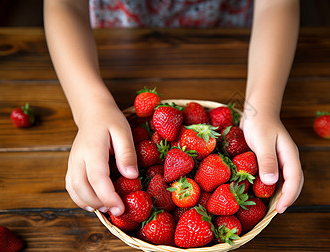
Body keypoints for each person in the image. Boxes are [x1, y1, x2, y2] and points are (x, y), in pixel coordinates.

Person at [44, 0, 304, 217]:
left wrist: (262, 107)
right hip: (120, 28)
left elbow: (276, 5)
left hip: (225, 31)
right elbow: (65, 5)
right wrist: (90, 107)